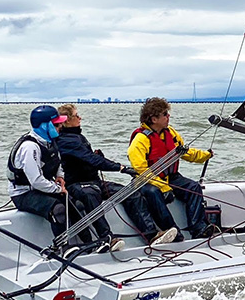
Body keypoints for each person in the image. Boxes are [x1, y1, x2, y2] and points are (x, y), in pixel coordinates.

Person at [54, 104, 177, 250]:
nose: (80, 117)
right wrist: (121, 168)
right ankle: (106, 238)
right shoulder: (65, 140)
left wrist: (99, 158)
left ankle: (151, 235)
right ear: (67, 121)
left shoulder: (77, 136)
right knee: (90, 195)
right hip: (76, 184)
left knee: (130, 193)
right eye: (76, 115)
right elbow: (91, 159)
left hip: (94, 181)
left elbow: (90, 159)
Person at [128, 97, 220, 240]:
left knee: (193, 187)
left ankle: (198, 228)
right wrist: (164, 188)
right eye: (165, 114)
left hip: (171, 178)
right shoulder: (140, 140)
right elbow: (141, 169)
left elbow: (185, 152)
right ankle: (171, 231)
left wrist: (205, 156)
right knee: (153, 193)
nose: (168, 117)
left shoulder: (170, 133)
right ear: (154, 119)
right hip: (148, 181)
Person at [7, 105, 94, 255]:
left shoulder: (50, 141)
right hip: (24, 194)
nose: (60, 126)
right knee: (58, 209)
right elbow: (36, 181)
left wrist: (60, 177)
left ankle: (89, 243)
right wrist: (58, 189)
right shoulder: (30, 147)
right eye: (56, 124)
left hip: (44, 188)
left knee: (76, 204)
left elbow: (58, 163)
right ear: (45, 126)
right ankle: (63, 246)